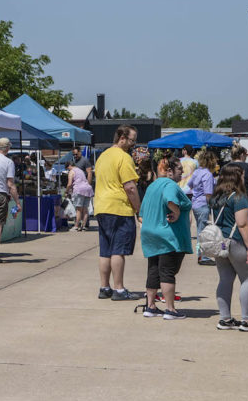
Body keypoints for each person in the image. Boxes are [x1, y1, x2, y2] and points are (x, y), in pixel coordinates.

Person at [139, 158, 192, 319]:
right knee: (167, 271)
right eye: (178, 169)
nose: (182, 172)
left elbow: (141, 213)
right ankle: (170, 309)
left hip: (151, 233)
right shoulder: (170, 185)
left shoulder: (152, 186)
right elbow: (170, 199)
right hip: (167, 235)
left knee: (154, 269)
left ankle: (151, 306)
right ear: (169, 171)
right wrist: (175, 212)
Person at [94, 125, 142, 300]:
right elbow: (130, 187)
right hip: (118, 208)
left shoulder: (103, 156)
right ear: (122, 137)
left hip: (101, 206)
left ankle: (104, 287)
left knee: (105, 249)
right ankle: (119, 289)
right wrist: (139, 208)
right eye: (132, 140)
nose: (133, 144)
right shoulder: (123, 157)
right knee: (118, 250)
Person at [210, 165, 248, 330]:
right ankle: (247, 320)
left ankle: (225, 318)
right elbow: (242, 224)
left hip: (219, 242)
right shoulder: (239, 198)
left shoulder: (217, 197)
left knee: (225, 279)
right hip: (235, 242)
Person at [223, 145, 248, 258]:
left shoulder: (225, 167)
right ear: (241, 154)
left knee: (230, 225)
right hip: (247, 198)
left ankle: (227, 250)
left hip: (228, 199)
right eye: (246, 154)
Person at [188, 150, 216, 262]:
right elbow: (208, 194)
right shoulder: (208, 174)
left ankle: (201, 254)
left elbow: (190, 185)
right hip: (203, 204)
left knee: (200, 230)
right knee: (202, 232)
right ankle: (201, 255)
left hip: (195, 204)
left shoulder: (197, 172)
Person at [67, 159, 93, 232]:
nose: (67, 170)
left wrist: (66, 192)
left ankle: (76, 226)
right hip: (88, 189)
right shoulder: (80, 170)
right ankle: (84, 226)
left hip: (79, 189)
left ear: (69, 166)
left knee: (79, 209)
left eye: (67, 168)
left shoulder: (72, 171)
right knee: (85, 209)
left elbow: (69, 184)